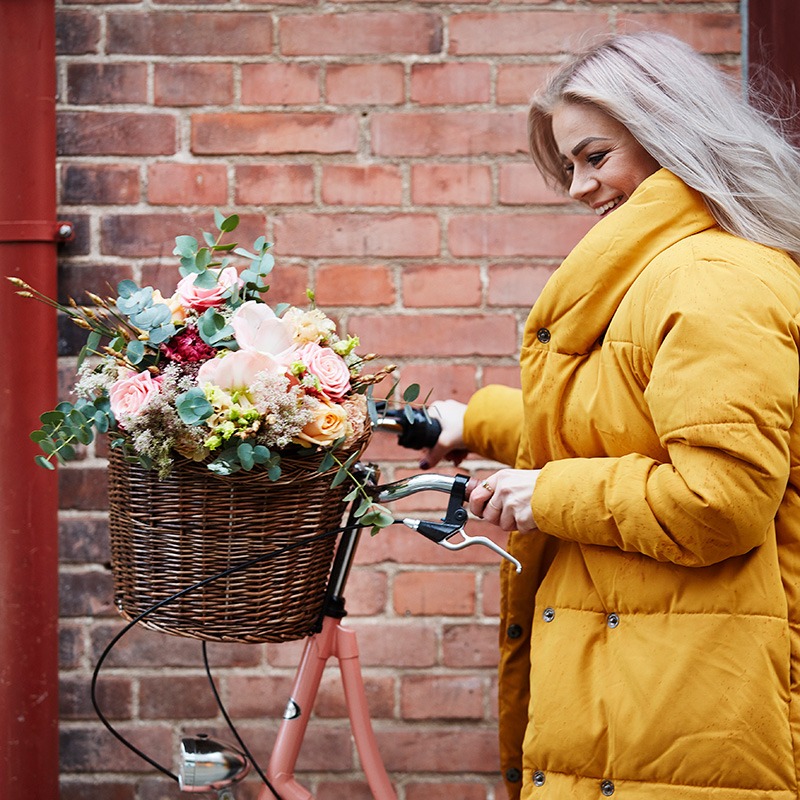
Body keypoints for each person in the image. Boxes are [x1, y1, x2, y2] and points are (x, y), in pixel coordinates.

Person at [423, 31, 800, 800]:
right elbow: (622, 425)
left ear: (669, 135)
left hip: (690, 704)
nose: (577, 187)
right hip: (649, 688)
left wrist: (545, 494)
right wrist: (476, 421)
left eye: (595, 157)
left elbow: (719, 500)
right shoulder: (662, 273)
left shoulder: (713, 280)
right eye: (569, 166)